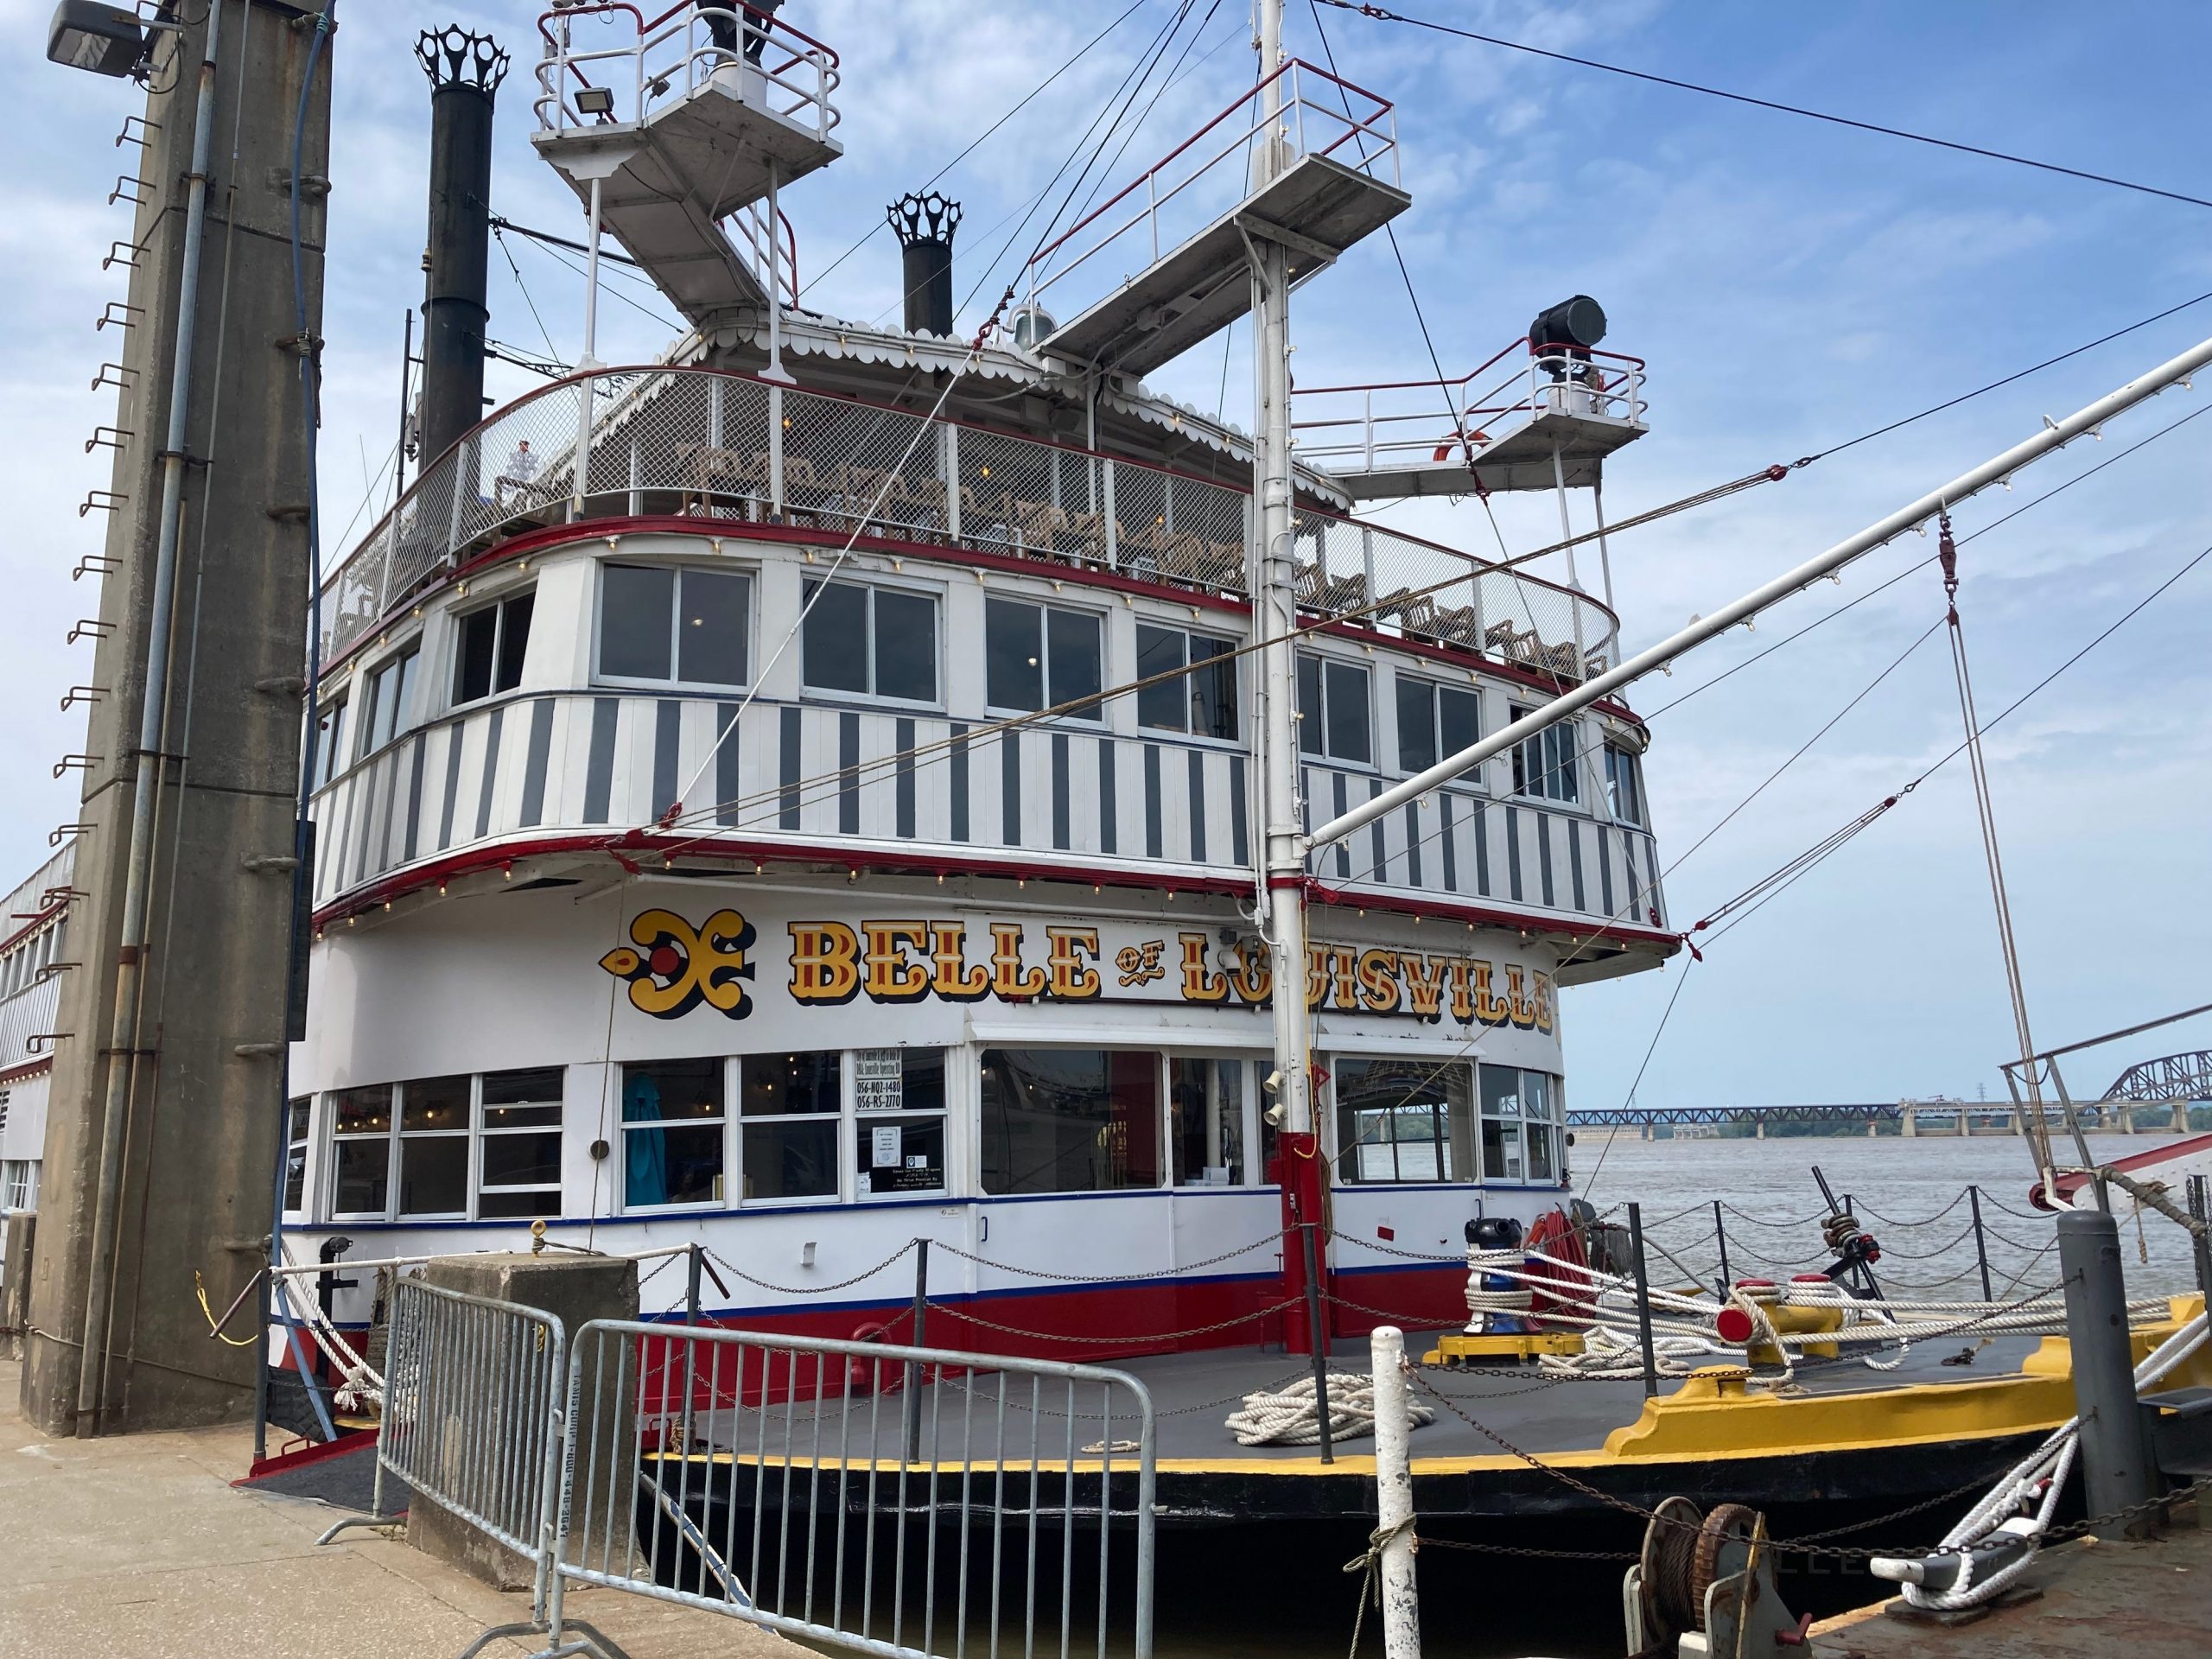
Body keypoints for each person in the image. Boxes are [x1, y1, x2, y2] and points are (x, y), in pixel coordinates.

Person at [495, 438, 540, 508]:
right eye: (524, 445)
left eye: (526, 445)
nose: (525, 446)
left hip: (526, 478)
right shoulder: (516, 455)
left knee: (524, 488)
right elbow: (511, 467)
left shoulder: (529, 455)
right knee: (514, 488)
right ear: (521, 445)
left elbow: (532, 465)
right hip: (517, 477)